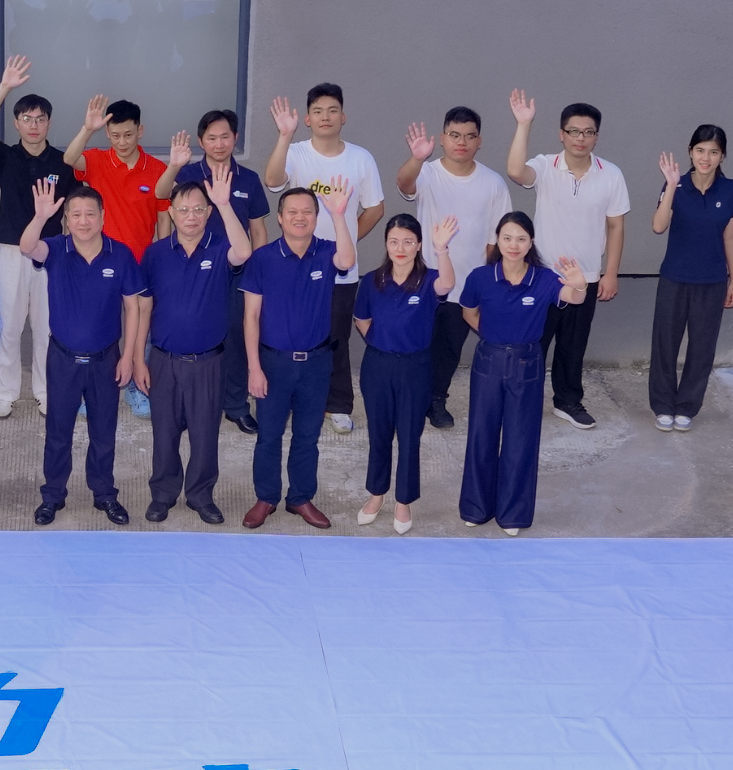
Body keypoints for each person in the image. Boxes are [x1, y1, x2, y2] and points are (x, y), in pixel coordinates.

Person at [16, 178, 147, 524]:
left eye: (90, 214)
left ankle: (104, 494)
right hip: (63, 359)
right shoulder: (55, 249)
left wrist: (129, 357)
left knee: (103, 433)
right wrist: (40, 216)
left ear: (103, 216)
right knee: (58, 432)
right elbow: (27, 246)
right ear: (67, 219)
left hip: (107, 360)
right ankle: (53, 496)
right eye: (76, 214)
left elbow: (132, 307)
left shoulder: (120, 254)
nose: (83, 221)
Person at [261, 85, 383, 435]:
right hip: (296, 266)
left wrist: (346, 242)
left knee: (336, 336)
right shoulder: (295, 152)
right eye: (317, 111)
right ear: (307, 118)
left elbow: (375, 208)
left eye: (332, 110)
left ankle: (338, 404)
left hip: (341, 268)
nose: (325, 117)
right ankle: (287, 398)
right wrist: (284, 136)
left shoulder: (361, 158)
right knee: (291, 332)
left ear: (343, 117)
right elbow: (273, 180)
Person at [504, 94, 628, 429]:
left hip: (585, 277)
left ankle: (568, 401)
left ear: (596, 137)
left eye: (588, 132)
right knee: (532, 343)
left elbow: (616, 226)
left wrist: (610, 273)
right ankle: (522, 402)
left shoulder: (611, 174)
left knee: (573, 345)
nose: (580, 138)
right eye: (573, 131)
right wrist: (524, 123)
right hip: (542, 277)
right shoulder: (546, 166)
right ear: (562, 134)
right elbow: (515, 171)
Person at [136, 177, 255, 524]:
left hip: (209, 362)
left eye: (199, 209)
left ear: (208, 213)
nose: (191, 216)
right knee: (164, 433)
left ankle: (200, 495)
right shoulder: (155, 254)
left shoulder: (220, 248)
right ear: (171, 213)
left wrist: (224, 204)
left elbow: (244, 252)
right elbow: (144, 307)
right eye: (184, 209)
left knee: (205, 434)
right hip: (164, 360)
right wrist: (138, 359)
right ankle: (163, 494)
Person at [243, 184, 359, 526]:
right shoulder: (262, 258)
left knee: (308, 436)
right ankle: (266, 497)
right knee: (269, 436)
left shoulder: (327, 251)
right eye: (292, 211)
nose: (300, 217)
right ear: (279, 218)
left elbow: (347, 261)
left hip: (316, 363)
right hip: (273, 363)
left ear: (316, 217)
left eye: (307, 211)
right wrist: (254, 368)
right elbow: (250, 317)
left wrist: (339, 214)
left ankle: (300, 498)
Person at [455, 214, 573, 534]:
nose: (514, 245)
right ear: (497, 240)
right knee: (481, 434)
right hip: (488, 361)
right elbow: (468, 311)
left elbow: (573, 297)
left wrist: (579, 283)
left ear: (531, 242)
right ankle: (476, 507)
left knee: (520, 438)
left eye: (521, 238)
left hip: (527, 363)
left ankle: (513, 513)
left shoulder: (544, 278)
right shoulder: (481, 277)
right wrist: (492, 336)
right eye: (507, 238)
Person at [397, 108, 513, 432]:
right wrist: (417, 158)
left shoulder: (493, 183)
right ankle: (408, 400)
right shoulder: (427, 173)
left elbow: (495, 241)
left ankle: (436, 400)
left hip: (465, 286)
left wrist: (491, 285)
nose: (462, 142)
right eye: (455, 135)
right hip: (423, 281)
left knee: (448, 350)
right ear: (443, 138)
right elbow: (404, 183)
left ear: (479, 141)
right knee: (414, 345)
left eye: (469, 136)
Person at [355, 214, 460, 531]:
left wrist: (442, 249)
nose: (400, 248)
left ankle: (403, 501)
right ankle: (376, 494)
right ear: (386, 244)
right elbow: (362, 320)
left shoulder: (429, 280)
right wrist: (381, 342)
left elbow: (448, 284)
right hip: (378, 366)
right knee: (379, 433)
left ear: (418, 245)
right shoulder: (372, 281)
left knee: (410, 435)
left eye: (408, 242)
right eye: (394, 241)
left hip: (416, 367)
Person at [170, 111, 272, 433]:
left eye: (225, 136)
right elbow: (162, 200)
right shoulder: (188, 174)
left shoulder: (249, 179)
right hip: (194, 271)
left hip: (237, 272)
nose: (219, 144)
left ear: (235, 139)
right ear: (201, 142)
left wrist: (258, 273)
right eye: (211, 138)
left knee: (236, 339)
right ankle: (188, 406)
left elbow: (258, 231)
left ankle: (236, 405)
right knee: (192, 337)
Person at [0, 59, 66, 417]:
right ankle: (7, 393)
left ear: (49, 122)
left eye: (40, 119)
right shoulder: (5, 157)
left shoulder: (62, 162)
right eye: (27, 119)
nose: (34, 125)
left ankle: (44, 391)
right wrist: (5, 87)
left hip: (50, 253)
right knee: (8, 327)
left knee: (46, 328)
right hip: (11, 252)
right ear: (16, 123)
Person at [66, 96, 168, 416]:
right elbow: (70, 158)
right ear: (107, 134)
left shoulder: (157, 169)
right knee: (97, 327)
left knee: (141, 330)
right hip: (99, 262)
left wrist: (163, 257)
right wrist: (87, 129)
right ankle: (91, 390)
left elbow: (163, 218)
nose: (122, 142)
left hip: (141, 263)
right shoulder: (96, 160)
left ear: (140, 131)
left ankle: (138, 387)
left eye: (128, 134)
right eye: (114, 135)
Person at [647, 124, 733, 430]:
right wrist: (670, 185)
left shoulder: (731, 190)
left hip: (712, 281)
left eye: (713, 152)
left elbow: (731, 237)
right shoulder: (675, 185)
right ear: (690, 152)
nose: (706, 157)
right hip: (674, 278)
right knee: (665, 343)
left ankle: (687, 407)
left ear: (722, 156)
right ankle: (663, 405)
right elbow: (658, 226)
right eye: (700, 150)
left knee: (702, 348)